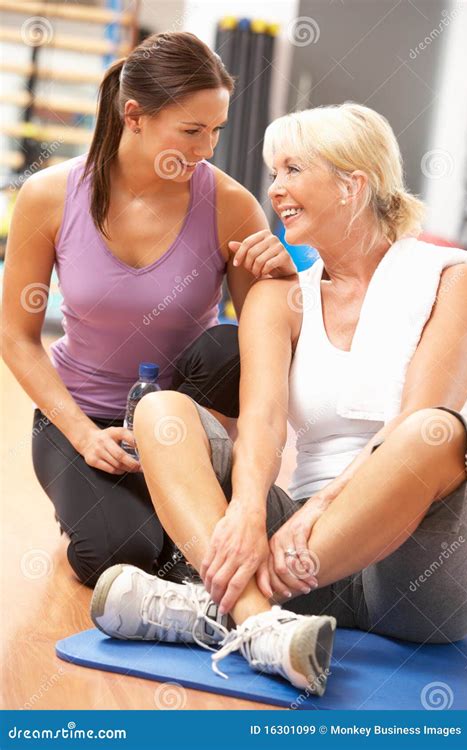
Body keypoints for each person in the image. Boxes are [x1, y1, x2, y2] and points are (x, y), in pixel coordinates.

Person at [92, 101, 467, 695]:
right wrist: (247, 512)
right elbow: (264, 423)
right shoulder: (278, 297)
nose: (276, 191)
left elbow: (416, 418)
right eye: (274, 174)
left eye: (292, 170)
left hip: (412, 574)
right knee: (160, 410)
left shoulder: (453, 277)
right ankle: (258, 623)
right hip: (300, 553)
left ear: (353, 183)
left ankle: (208, 608)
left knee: (436, 432)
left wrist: (322, 510)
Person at [1, 32, 296, 589]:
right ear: (134, 115)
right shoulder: (48, 196)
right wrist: (84, 435)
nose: (206, 148)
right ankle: (146, 517)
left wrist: (286, 280)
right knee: (119, 557)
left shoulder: (231, 205)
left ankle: (190, 494)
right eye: (191, 131)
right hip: (84, 417)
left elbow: (269, 339)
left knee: (227, 345)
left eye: (216, 131)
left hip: (185, 418)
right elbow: (15, 336)